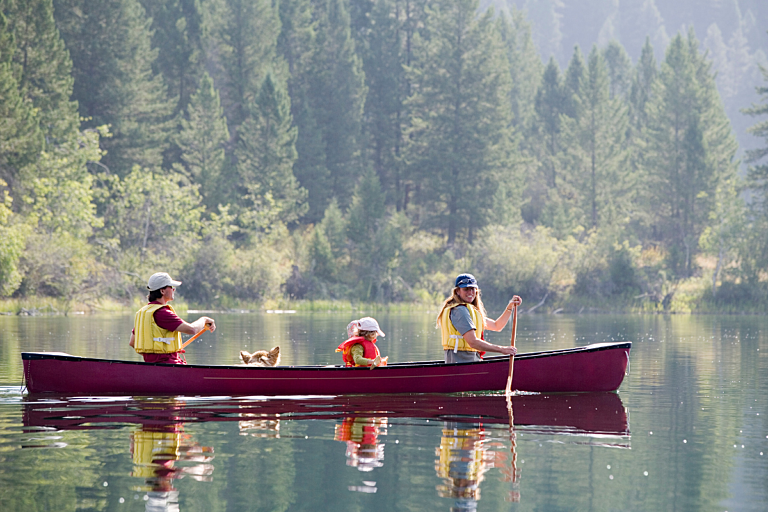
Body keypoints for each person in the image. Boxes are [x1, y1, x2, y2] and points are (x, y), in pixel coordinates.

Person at [129, 272, 216, 364]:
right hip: (169, 365)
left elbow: (132, 342)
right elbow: (192, 330)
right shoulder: (162, 313)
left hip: (154, 365)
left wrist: (152, 356)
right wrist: (204, 319)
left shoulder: (145, 312)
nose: (173, 289)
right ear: (162, 291)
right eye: (171, 287)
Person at [436, 273, 521, 364]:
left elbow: (497, 326)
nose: (470, 292)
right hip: (462, 361)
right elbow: (473, 342)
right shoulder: (459, 311)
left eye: (472, 289)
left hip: (471, 359)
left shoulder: (468, 310)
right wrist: (502, 349)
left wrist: (510, 307)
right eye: (466, 289)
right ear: (457, 291)